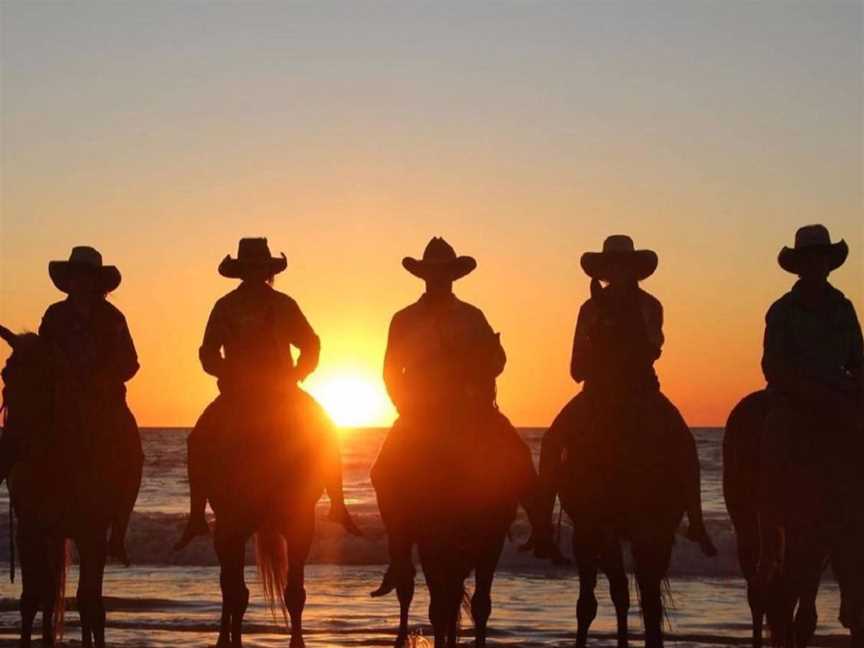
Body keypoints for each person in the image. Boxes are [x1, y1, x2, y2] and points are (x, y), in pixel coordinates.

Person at [369, 237, 554, 598]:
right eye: (433, 273)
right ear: (424, 277)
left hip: (473, 410)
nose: (439, 279)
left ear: (454, 276)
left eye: (445, 273)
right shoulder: (404, 319)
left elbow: (496, 363)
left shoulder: (472, 316)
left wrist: (489, 359)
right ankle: (399, 554)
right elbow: (391, 371)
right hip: (420, 414)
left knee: (518, 456)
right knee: (383, 473)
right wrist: (406, 408)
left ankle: (541, 530)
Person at [534, 235, 716, 557]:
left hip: (641, 390)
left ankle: (696, 522)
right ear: (605, 270)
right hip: (596, 393)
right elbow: (577, 366)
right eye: (612, 267)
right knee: (551, 441)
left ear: (633, 270)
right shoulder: (589, 309)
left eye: (623, 267)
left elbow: (654, 348)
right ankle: (543, 530)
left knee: (685, 443)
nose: (618, 272)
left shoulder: (650, 306)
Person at [175, 238, 359, 549]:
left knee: (326, 430)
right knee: (199, 439)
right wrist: (227, 372)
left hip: (283, 391)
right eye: (250, 267)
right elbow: (208, 353)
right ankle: (196, 515)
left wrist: (298, 373)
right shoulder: (225, 306)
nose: (256, 272)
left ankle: (337, 504)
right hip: (237, 393)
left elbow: (310, 343)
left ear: (267, 270)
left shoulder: (284, 304)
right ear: (242, 271)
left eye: (260, 267)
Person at [0, 246, 143, 565]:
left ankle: (117, 533)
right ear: (69, 280)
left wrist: (102, 377)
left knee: (132, 451)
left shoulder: (113, 318)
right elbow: (42, 355)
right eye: (76, 276)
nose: (81, 282)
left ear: (97, 282)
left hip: (103, 401)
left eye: (87, 277)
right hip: (59, 397)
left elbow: (131, 363)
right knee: (17, 433)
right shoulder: (54, 315)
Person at [758, 224, 862, 581]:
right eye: (809, 259)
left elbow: (857, 359)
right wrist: (801, 388)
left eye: (821, 259)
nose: (816, 265)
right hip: (794, 398)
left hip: (837, 396)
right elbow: (772, 364)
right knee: (774, 434)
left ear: (828, 264)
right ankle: (769, 525)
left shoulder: (844, 308)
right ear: (799, 265)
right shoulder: (783, 311)